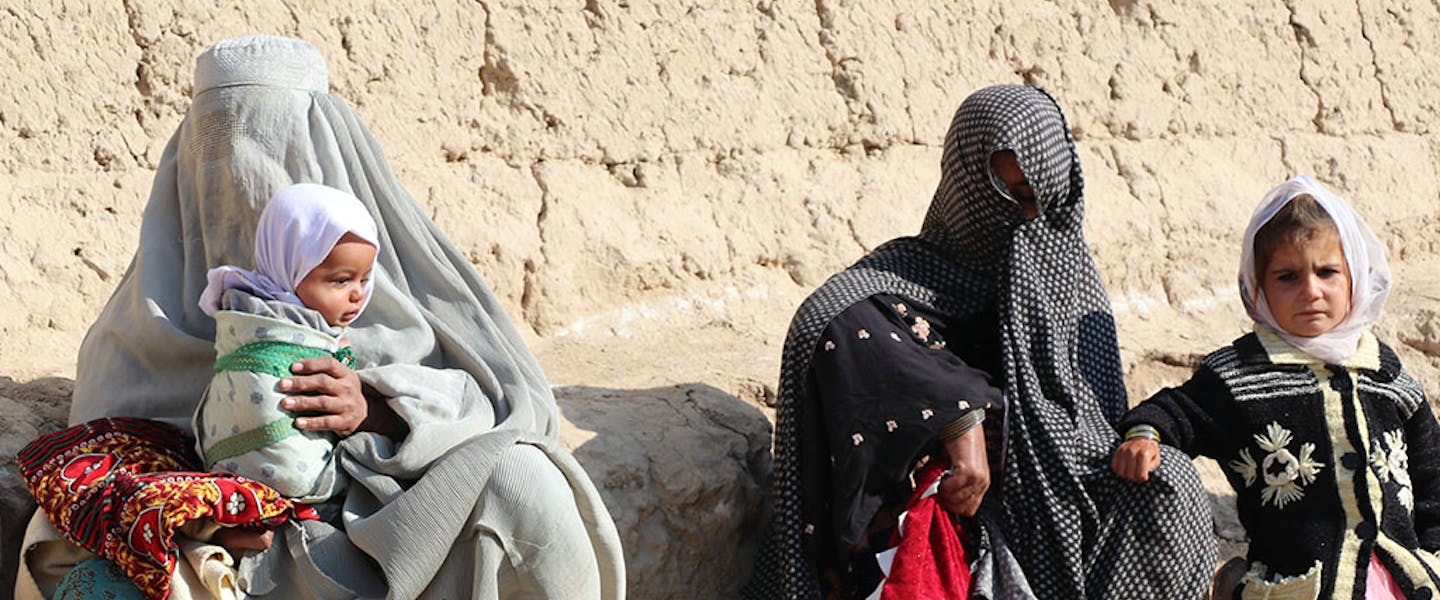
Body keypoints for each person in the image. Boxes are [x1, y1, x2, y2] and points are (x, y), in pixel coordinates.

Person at [14, 35, 624, 600]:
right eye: (220, 145)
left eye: (276, 145)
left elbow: (511, 408)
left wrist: (379, 410)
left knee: (522, 476)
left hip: (384, 528)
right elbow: (90, 472)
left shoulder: (381, 289)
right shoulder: (138, 323)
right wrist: (196, 515)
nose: (245, 175)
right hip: (221, 556)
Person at [746, 84, 1215, 599]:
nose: (1028, 219)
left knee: (1171, 486)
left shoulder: (1065, 274)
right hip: (969, 509)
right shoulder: (903, 279)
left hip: (1062, 497)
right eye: (1008, 197)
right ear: (967, 184)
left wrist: (1137, 441)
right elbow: (827, 320)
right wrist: (959, 413)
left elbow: (1090, 428)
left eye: (1040, 199)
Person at [1112, 175, 1440, 598]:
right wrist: (1144, 436)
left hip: (1399, 582)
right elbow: (1173, 411)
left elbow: (1431, 472)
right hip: (1296, 587)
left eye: (1327, 272)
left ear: (1354, 277)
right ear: (1260, 287)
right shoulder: (1239, 375)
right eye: (1287, 276)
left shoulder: (1386, 376)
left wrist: (1431, 555)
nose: (1311, 291)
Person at [192, 182, 384, 507]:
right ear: (289, 267)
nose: (358, 295)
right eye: (341, 280)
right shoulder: (255, 324)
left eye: (364, 279)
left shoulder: (310, 324)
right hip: (287, 481)